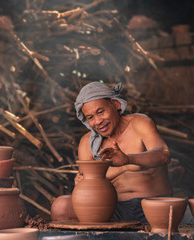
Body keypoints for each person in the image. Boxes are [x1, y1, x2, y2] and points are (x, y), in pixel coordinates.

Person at [51, 81, 173, 223]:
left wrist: (128, 159)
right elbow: (87, 191)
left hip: (153, 205)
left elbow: (164, 154)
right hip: (113, 210)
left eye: (100, 112)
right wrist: (82, 183)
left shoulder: (139, 123)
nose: (98, 121)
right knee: (61, 206)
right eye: (90, 117)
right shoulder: (86, 143)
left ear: (115, 104)